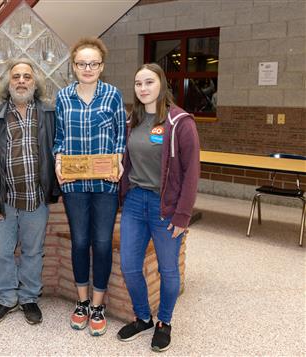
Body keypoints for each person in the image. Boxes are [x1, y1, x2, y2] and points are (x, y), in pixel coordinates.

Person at [116, 63, 200, 352]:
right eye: (138, 83)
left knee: (168, 269)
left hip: (166, 206)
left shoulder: (180, 122)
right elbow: (128, 162)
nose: (143, 88)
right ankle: (143, 317)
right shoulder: (133, 120)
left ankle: (164, 321)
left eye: (149, 82)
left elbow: (192, 172)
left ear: (161, 84)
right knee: (129, 265)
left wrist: (182, 214)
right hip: (136, 202)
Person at [0, 58, 59, 325]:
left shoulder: (48, 114)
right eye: (16, 77)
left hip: (37, 198)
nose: (21, 81)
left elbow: (60, 152)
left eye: (27, 76)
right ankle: (7, 298)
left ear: (35, 83)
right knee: (1, 252)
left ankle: (29, 297)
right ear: (7, 83)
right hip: (4, 200)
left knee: (34, 251)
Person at [53, 37, 126, 336]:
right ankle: (81, 302)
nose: (87, 68)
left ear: (102, 66)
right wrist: (58, 163)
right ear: (73, 66)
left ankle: (98, 305)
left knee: (103, 242)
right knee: (80, 242)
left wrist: (118, 163)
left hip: (105, 183)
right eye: (82, 63)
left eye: (93, 63)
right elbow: (58, 138)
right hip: (74, 185)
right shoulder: (62, 97)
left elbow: (120, 136)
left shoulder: (113, 95)